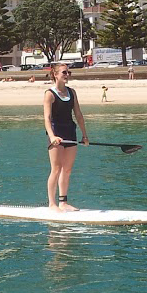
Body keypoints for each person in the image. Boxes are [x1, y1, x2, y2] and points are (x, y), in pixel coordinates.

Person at [43, 63, 89, 211]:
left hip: (70, 132)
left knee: (67, 170)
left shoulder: (72, 92)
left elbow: (79, 115)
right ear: (55, 75)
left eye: (68, 72)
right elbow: (47, 118)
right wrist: (52, 136)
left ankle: (63, 202)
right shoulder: (49, 94)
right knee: (55, 169)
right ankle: (52, 204)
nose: (67, 75)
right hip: (56, 133)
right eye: (64, 72)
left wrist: (85, 135)